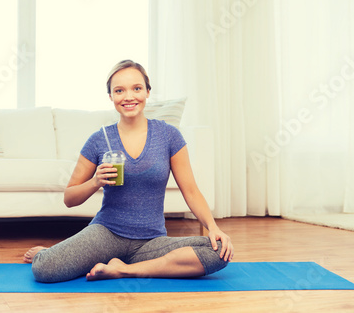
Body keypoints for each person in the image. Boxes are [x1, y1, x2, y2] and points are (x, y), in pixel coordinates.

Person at [23, 60, 234, 283]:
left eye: (136, 88)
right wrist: (96, 182)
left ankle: (123, 269)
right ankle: (52, 251)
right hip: (106, 234)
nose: (129, 96)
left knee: (219, 249)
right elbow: (69, 198)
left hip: (151, 242)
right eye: (119, 90)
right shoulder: (99, 140)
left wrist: (213, 227)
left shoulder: (169, 136)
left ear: (147, 91)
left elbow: (191, 191)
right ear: (111, 97)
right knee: (44, 268)